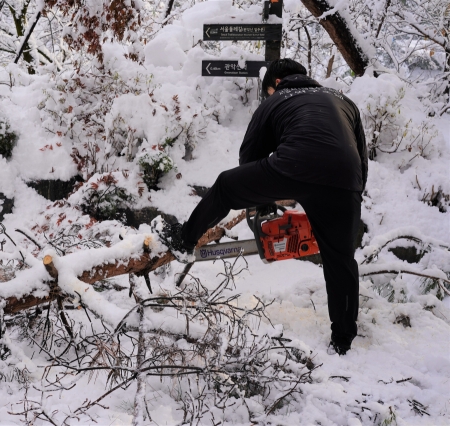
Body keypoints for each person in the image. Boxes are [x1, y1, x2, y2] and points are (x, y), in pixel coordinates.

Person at [158, 58, 368, 355]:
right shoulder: (343, 99)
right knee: (341, 261)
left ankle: (184, 239)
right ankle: (343, 341)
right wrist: (350, 196)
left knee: (225, 187)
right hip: (347, 178)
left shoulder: (277, 99)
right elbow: (361, 155)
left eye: (268, 89)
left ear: (276, 83)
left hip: (294, 165)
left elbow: (250, 158)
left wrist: (264, 197)